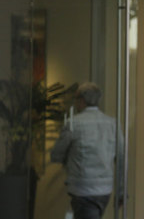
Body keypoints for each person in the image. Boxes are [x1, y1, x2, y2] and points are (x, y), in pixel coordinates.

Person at [51, 82, 124, 219]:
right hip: (105, 190)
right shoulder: (113, 124)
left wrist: (67, 160)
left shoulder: (73, 123)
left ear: (82, 100)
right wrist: (121, 190)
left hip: (82, 188)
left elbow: (57, 154)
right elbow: (121, 157)